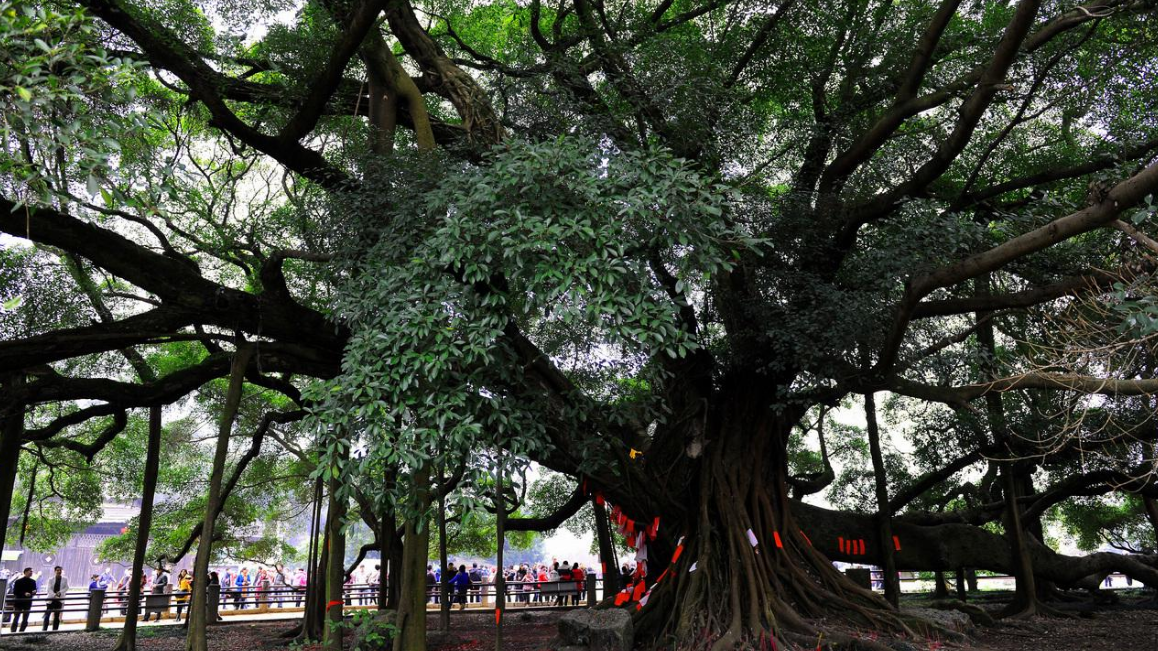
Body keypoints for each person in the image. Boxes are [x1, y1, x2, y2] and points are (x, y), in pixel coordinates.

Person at [41, 566, 68, 631]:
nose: (59, 571)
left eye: (60, 570)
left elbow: (66, 587)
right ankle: (44, 629)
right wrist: (54, 595)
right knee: (47, 614)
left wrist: (60, 592)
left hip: (59, 599)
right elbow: (48, 589)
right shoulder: (51, 579)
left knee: (57, 615)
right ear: (55, 571)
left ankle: (55, 630)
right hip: (51, 599)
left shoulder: (65, 579)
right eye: (57, 570)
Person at [10, 568, 37, 633]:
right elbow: (15, 592)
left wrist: (34, 591)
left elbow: (34, 590)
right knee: (16, 617)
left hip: (28, 602)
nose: (31, 573)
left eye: (32, 571)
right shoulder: (18, 581)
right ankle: (13, 631)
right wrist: (24, 593)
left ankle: (21, 631)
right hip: (19, 602)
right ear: (25, 572)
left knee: (25, 618)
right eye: (30, 571)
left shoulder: (33, 581)